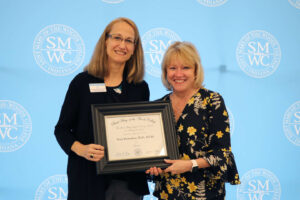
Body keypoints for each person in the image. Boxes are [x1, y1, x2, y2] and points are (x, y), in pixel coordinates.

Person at [54, 17, 150, 200]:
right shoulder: (81, 83)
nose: (122, 45)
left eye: (129, 41)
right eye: (117, 38)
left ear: (134, 49)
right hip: (87, 179)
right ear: (105, 41)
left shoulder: (140, 88)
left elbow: (142, 133)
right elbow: (62, 130)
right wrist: (81, 149)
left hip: (127, 183)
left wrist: (151, 157)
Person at [146, 41, 240, 200]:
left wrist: (190, 164)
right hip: (168, 193)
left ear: (196, 71)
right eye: (172, 68)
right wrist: (152, 167)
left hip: (205, 193)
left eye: (185, 67)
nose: (178, 74)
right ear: (165, 72)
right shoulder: (157, 107)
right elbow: (152, 153)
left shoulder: (212, 101)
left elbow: (222, 153)